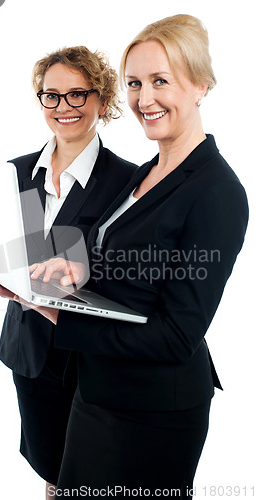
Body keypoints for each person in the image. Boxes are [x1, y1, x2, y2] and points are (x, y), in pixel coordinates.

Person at [21, 15, 249, 499]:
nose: (145, 99)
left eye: (161, 81)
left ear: (201, 86)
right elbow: (137, 263)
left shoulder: (217, 192)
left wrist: (62, 316)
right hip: (98, 392)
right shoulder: (148, 172)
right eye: (134, 83)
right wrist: (80, 269)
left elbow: (176, 336)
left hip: (152, 414)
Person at [0, 46, 137, 499]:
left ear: (102, 99)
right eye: (51, 96)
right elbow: (15, 246)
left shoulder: (129, 181)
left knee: (96, 475)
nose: (63, 107)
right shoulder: (16, 173)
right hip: (30, 350)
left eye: (77, 95)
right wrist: (6, 275)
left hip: (92, 356)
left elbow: (130, 267)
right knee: (52, 470)